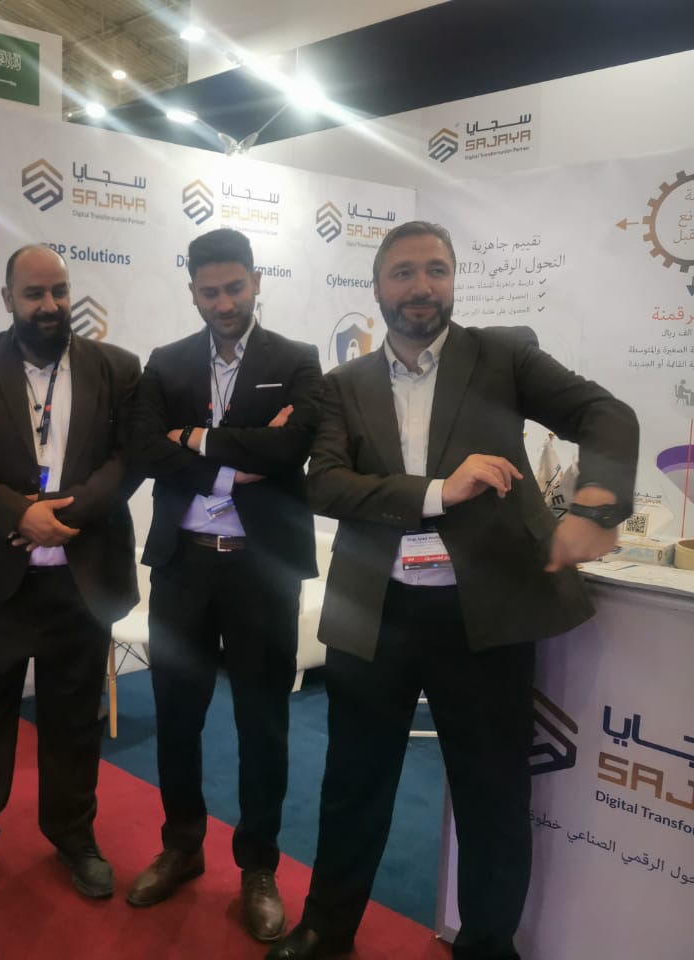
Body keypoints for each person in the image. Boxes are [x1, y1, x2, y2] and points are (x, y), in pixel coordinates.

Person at [271, 221, 639, 960]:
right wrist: (441, 490)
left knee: (493, 793)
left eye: (436, 270)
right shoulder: (344, 384)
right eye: (404, 273)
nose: (422, 287)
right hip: (375, 613)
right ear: (378, 288)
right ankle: (328, 929)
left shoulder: (503, 356)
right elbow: (326, 484)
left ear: (452, 280)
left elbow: (606, 414)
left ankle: (487, 945)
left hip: (485, 615)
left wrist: (596, 505)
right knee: (353, 783)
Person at [126, 227, 323, 942]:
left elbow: (292, 447)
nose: (224, 302)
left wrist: (194, 439)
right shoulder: (167, 362)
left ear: (256, 281)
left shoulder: (297, 360)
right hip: (184, 566)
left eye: (234, 287)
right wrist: (239, 464)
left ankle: (258, 866)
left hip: (262, 569)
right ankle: (181, 847)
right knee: (177, 715)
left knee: (262, 723)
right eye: (209, 291)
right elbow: (143, 447)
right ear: (192, 293)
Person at [0, 244, 141, 901]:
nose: (50, 305)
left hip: (82, 576)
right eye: (34, 294)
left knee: (75, 717)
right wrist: (20, 513)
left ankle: (74, 836)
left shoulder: (117, 367)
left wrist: (63, 514)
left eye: (59, 291)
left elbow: (128, 459)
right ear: (8, 300)